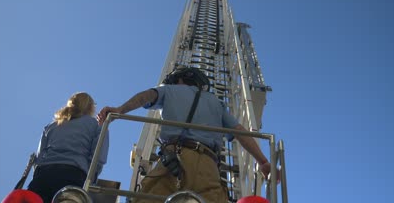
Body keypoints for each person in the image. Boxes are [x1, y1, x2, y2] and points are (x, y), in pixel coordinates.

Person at [98, 67, 277, 203]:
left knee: (147, 198)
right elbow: (240, 132)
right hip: (208, 167)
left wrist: (120, 110)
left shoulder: (168, 90)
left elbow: (146, 96)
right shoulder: (216, 103)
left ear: (180, 79)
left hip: (173, 159)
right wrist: (263, 161)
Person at [27, 92, 109, 203]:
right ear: (90, 108)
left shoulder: (51, 126)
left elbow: (40, 157)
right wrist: (90, 180)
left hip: (43, 176)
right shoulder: (96, 126)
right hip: (73, 175)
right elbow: (98, 157)